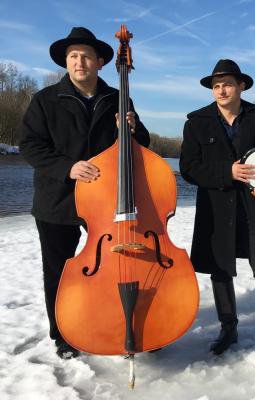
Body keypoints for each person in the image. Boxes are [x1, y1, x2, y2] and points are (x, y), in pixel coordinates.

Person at [19, 27, 150, 359]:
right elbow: (30, 146)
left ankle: (114, 323)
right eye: (73, 56)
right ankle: (62, 334)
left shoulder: (118, 97)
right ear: (66, 62)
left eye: (87, 56)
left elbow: (141, 146)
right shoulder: (45, 100)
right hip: (58, 199)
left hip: (107, 202)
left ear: (101, 62)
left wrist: (132, 130)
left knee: (112, 267)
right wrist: (68, 167)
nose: (80, 62)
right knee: (60, 271)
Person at [179, 59, 255, 360]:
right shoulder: (196, 122)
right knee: (220, 270)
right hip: (215, 209)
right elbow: (189, 168)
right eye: (216, 86)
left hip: (253, 206)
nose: (221, 90)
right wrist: (226, 172)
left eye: (227, 84)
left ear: (241, 86)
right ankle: (228, 330)